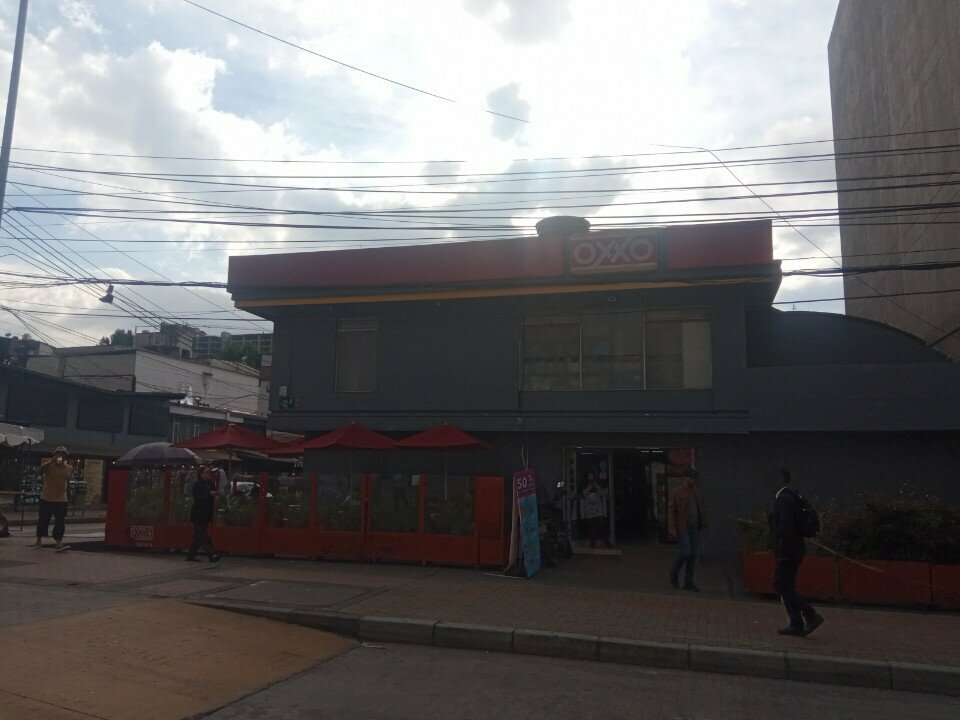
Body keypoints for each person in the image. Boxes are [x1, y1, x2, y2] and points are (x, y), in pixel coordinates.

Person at [771, 468, 824, 636]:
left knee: (781, 585)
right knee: (787, 586)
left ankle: (810, 614)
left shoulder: (784, 499)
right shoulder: (790, 495)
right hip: (795, 548)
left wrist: (782, 550)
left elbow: (786, 527)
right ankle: (796, 623)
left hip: (789, 550)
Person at [668, 467, 708, 592]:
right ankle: (674, 571)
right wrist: (672, 527)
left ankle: (688, 581)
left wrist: (705, 524)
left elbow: (702, 510)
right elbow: (671, 510)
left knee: (693, 555)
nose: (693, 480)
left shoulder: (698, 492)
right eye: (691, 477)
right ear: (685, 478)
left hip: (695, 526)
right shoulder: (677, 492)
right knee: (686, 551)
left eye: (694, 478)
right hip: (683, 526)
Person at [33, 446, 73, 551]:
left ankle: (58, 543)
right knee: (43, 520)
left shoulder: (68, 467)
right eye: (58, 453)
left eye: (62, 454)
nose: (60, 456)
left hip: (61, 499)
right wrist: (51, 462)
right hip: (47, 497)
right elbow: (38, 470)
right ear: (54, 455)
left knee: (60, 521)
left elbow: (67, 481)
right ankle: (38, 540)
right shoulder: (48, 466)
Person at [186, 466, 221, 563]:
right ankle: (212, 553)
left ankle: (191, 555)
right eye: (206, 472)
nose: (208, 474)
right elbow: (198, 498)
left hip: (207, 513)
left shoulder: (210, 483)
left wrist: (216, 496)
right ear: (201, 474)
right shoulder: (197, 484)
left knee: (198, 535)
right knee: (203, 534)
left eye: (209, 472)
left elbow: (213, 497)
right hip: (198, 514)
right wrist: (209, 494)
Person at [582, 474, 611, 549]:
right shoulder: (585, 487)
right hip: (589, 511)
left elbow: (602, 494)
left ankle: (606, 542)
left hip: (598, 510)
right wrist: (589, 488)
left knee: (602, 526)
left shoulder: (598, 487)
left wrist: (596, 487)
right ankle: (592, 543)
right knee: (591, 528)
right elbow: (584, 494)